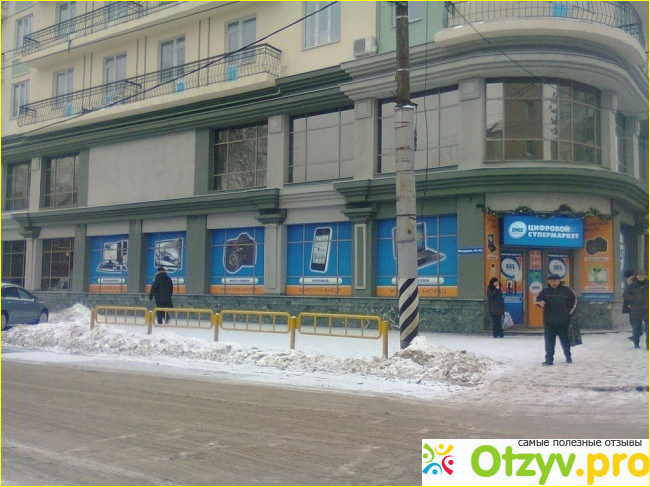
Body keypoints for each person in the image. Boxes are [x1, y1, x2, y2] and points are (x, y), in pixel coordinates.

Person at [535, 273, 577, 366]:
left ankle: (568, 356)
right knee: (549, 342)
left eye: (555, 281)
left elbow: (574, 302)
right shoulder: (545, 291)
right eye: (551, 281)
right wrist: (540, 303)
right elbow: (538, 300)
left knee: (565, 341)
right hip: (549, 321)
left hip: (563, 321)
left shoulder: (566, 290)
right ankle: (549, 360)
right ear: (548, 282)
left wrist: (568, 313)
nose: (553, 283)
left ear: (559, 281)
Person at [622, 269, 649, 350]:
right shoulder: (632, 285)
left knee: (648, 330)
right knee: (636, 329)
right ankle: (636, 344)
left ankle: (648, 346)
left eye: (643, 275)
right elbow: (625, 295)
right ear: (636, 276)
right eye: (639, 275)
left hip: (647, 310)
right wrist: (634, 299)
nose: (641, 277)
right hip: (635, 310)